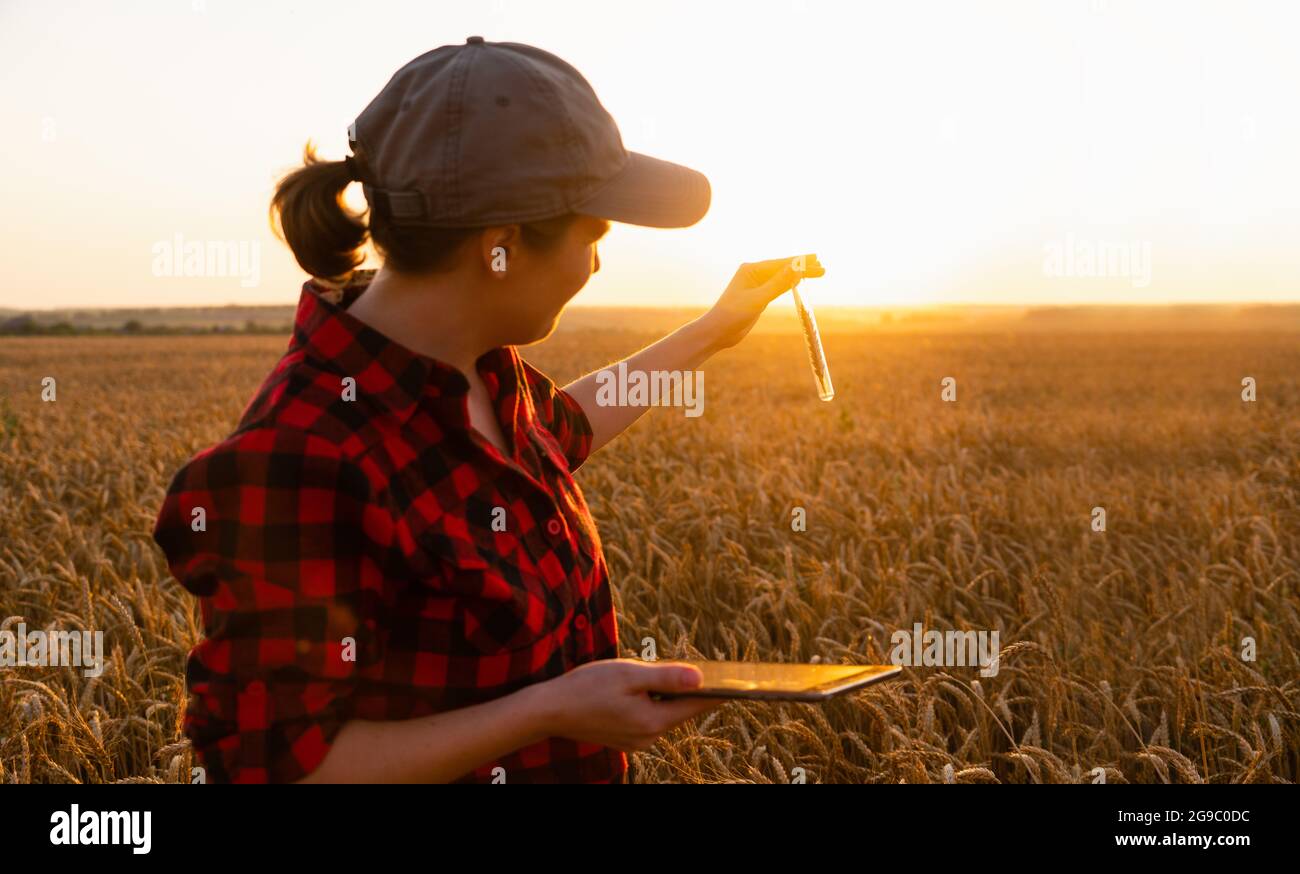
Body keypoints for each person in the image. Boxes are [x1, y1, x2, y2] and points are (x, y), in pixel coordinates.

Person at [152, 36, 823, 784]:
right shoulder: (304, 456)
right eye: (593, 234)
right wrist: (549, 712)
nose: (597, 264)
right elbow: (279, 769)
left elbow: (562, 428)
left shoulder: (475, 367)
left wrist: (711, 332)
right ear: (500, 246)